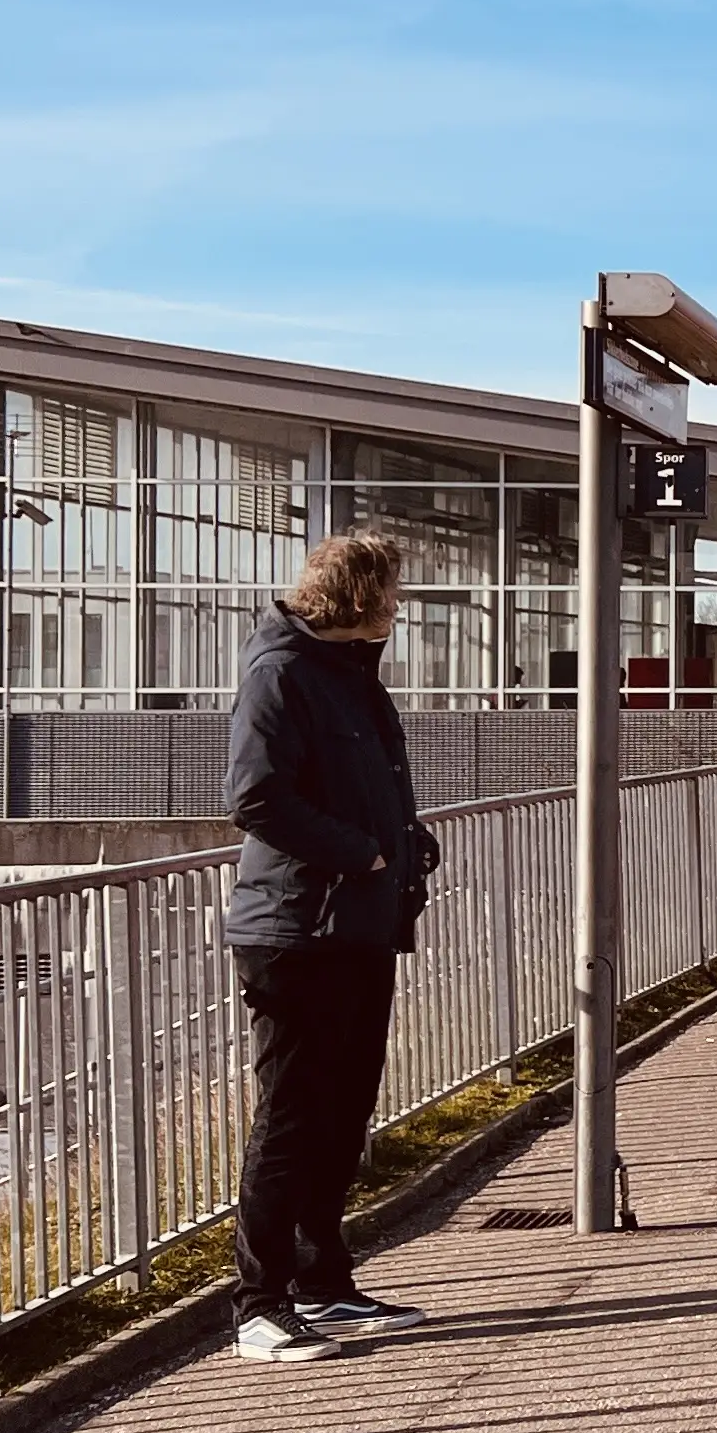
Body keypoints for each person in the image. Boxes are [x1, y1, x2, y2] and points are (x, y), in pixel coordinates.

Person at [220, 529, 438, 1365]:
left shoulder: (349, 677)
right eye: (390, 594)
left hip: (357, 926)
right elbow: (257, 799)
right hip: (296, 931)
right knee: (293, 1115)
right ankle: (258, 1305)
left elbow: (362, 784)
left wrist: (404, 843)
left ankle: (323, 1283)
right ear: (356, 601)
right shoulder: (281, 676)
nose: (399, 608)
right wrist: (364, 851)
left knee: (344, 1110)